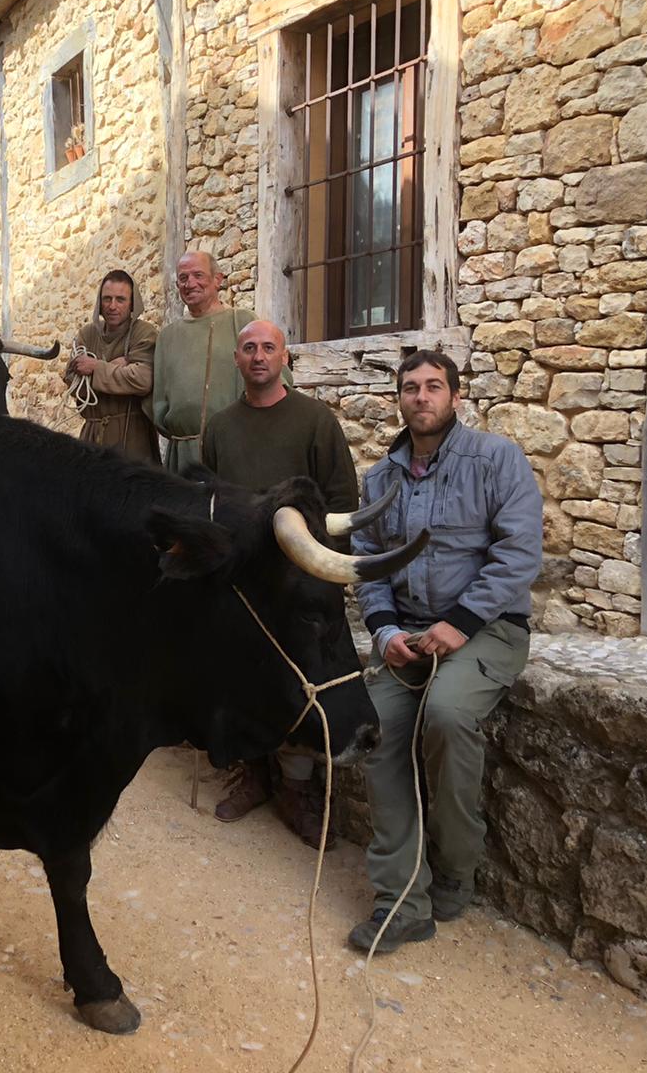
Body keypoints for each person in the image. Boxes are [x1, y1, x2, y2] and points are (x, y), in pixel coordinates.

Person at [347, 350, 542, 954]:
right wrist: (383, 632)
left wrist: (458, 624)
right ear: (399, 400)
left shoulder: (497, 459)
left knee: (449, 716)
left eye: (434, 386)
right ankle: (401, 899)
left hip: (486, 630)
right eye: (411, 388)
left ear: (456, 396)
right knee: (373, 728)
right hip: (407, 636)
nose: (421, 397)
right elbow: (368, 565)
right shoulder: (380, 480)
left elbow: (519, 554)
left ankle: (457, 865)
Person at [201, 319, 360, 845]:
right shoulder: (219, 427)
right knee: (243, 678)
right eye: (249, 348)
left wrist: (319, 574)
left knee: (298, 684)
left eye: (269, 347)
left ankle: (296, 788)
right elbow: (212, 503)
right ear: (237, 361)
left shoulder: (316, 420)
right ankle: (253, 774)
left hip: (298, 587)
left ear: (285, 358)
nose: (259, 356)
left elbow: (342, 502)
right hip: (243, 587)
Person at [151, 252, 263, 474]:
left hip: (236, 449)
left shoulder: (244, 323)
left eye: (198, 275)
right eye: (183, 278)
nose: (190, 283)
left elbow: (275, 381)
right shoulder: (167, 337)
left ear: (217, 280)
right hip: (182, 458)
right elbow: (159, 402)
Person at [61, 269, 159, 463]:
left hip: (133, 437)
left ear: (132, 303)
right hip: (93, 434)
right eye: (107, 299)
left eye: (120, 299)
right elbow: (72, 379)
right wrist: (120, 366)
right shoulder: (87, 334)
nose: (112, 306)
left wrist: (96, 367)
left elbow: (142, 379)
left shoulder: (144, 333)